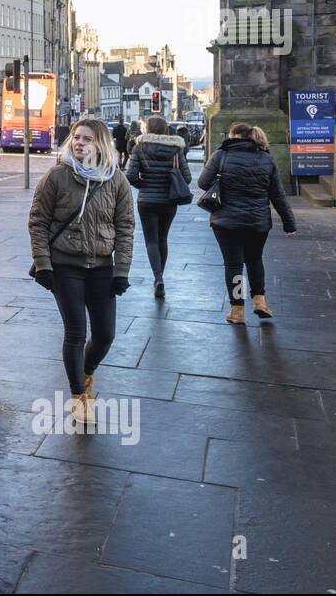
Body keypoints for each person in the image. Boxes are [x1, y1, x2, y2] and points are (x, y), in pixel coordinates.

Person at [28, 117, 134, 426]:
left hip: (102, 266)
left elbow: (125, 226)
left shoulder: (116, 180)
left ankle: (86, 374)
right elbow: (38, 222)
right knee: (76, 332)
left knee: (104, 335)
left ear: (99, 143)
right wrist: (44, 263)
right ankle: (78, 398)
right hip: (65, 266)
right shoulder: (57, 177)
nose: (79, 143)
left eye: (86, 139)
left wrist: (122, 269)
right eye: (76, 137)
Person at [198, 123, 296, 325]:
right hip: (257, 222)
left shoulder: (221, 155)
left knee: (234, 264)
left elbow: (202, 183)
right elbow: (277, 194)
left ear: (234, 136)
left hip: (226, 222)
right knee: (254, 259)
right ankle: (260, 301)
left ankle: (238, 310)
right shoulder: (266, 159)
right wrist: (289, 223)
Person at [124, 114, 192, 298]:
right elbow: (187, 178)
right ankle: (160, 278)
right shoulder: (176, 149)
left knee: (151, 241)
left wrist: (143, 185)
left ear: (148, 129)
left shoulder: (140, 147)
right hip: (169, 200)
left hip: (146, 200)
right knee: (162, 238)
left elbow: (130, 176)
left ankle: (158, 277)